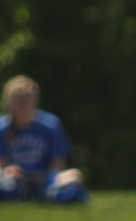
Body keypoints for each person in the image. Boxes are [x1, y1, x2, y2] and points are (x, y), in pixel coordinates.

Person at [0, 75, 87, 203]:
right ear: (8, 101)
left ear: (35, 100)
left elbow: (58, 165)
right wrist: (8, 171)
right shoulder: (2, 128)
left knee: (73, 180)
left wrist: (44, 177)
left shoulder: (50, 125)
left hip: (45, 181)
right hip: (14, 182)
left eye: (26, 98)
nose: (21, 104)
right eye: (16, 99)